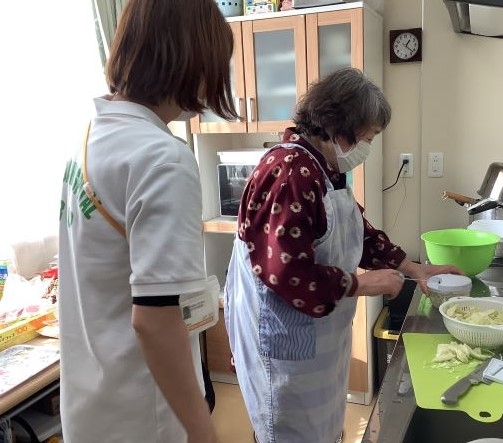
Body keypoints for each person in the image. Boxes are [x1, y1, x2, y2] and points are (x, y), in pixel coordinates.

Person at [224, 67, 462, 443]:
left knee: (319, 431)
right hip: (285, 344)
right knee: (287, 432)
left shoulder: (322, 168)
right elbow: (285, 272)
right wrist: (361, 282)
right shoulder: (290, 174)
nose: (366, 148)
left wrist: (414, 268)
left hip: (315, 340)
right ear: (338, 129)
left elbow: (355, 232)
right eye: (366, 137)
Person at [58, 1, 237, 442]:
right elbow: (155, 322)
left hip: (91, 407)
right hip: (144, 414)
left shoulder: (90, 138)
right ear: (190, 61)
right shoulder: (161, 158)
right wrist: (203, 432)